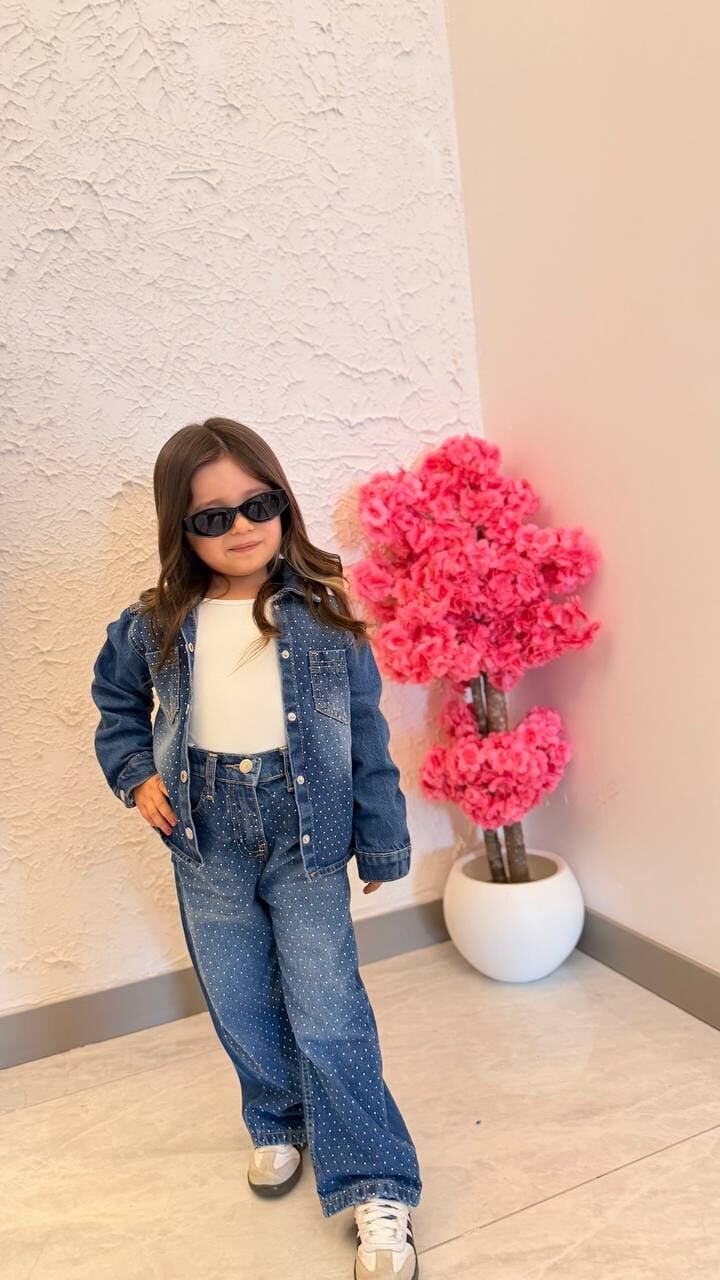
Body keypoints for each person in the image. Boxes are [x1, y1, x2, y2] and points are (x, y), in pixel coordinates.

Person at [91, 417, 421, 1279]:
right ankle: (277, 1117)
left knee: (328, 1008)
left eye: (258, 505)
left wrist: (382, 841)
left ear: (283, 504)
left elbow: (367, 738)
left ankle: (376, 1179)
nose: (241, 526)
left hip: (306, 836)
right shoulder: (156, 623)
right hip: (204, 837)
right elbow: (116, 707)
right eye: (213, 517)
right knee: (237, 996)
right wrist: (137, 775)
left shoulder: (325, 617)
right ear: (181, 528)